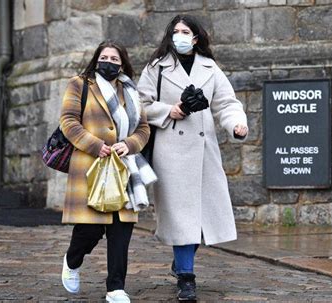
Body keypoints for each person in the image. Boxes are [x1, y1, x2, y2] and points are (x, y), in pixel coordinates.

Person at [137, 15, 248, 301]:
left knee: (202, 217)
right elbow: (140, 106)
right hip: (171, 152)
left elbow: (226, 103)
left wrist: (237, 124)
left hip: (203, 152)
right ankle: (186, 277)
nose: (180, 36)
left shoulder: (210, 68)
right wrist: (168, 111)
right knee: (181, 217)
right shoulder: (156, 68)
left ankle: (180, 263)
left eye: (185, 31)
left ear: (196, 37)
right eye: (175, 32)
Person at [59, 40, 150, 303]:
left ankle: (116, 288)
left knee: (121, 231)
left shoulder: (130, 90)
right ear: (96, 59)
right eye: (104, 57)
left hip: (124, 169)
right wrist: (95, 145)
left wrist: (129, 144)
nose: (108, 62)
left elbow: (143, 129)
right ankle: (72, 260)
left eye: (114, 58)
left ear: (122, 63)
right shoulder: (80, 83)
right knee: (90, 230)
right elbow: (68, 121)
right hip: (91, 165)